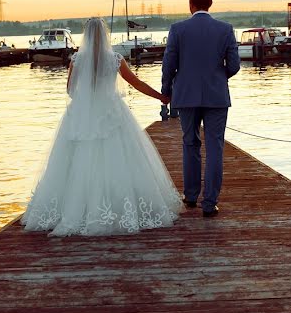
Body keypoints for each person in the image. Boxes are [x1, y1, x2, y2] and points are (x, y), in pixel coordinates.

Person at [21, 17, 181, 236]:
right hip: (111, 113)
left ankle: (78, 209)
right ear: (105, 36)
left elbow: (70, 90)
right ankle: (116, 207)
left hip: (81, 115)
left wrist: (86, 101)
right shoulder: (115, 59)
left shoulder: (76, 60)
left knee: (76, 163)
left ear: (85, 36)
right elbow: (137, 84)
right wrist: (162, 97)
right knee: (119, 161)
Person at [161, 0, 240, 218]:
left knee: (190, 143)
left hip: (186, 96)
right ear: (211, 3)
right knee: (215, 146)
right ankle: (210, 203)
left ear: (190, 3)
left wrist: (167, 92)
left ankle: (191, 195)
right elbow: (234, 66)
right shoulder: (225, 29)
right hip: (216, 96)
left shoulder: (178, 29)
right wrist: (217, 76)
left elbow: (169, 65)